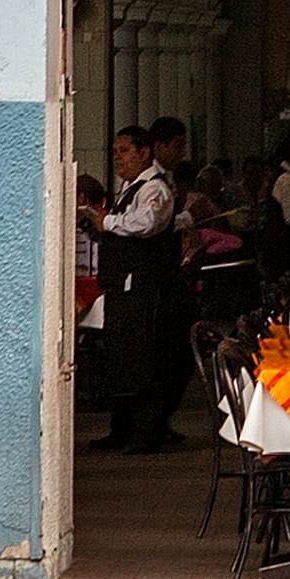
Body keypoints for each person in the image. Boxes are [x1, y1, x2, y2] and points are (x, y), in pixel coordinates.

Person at [89, 128, 185, 455]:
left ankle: (147, 432)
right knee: (121, 357)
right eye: (115, 151)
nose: (119, 157)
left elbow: (147, 223)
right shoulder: (126, 189)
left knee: (144, 358)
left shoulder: (154, 188)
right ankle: (121, 428)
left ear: (145, 152)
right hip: (121, 286)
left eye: (125, 150)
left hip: (144, 287)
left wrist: (109, 223)